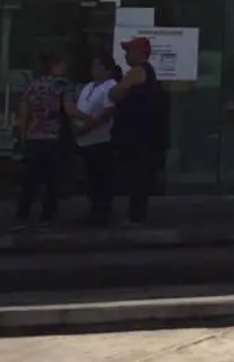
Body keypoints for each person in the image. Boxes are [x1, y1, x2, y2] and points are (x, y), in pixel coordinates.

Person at [13, 51, 72, 230]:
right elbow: (69, 109)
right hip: (54, 138)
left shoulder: (32, 85)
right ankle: (47, 217)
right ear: (55, 65)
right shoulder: (62, 85)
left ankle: (22, 216)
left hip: (34, 138)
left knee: (30, 181)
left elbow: (23, 113)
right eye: (63, 65)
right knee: (53, 181)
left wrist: (23, 136)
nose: (65, 68)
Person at [110, 37, 163, 226]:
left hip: (136, 133)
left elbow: (114, 93)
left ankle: (136, 217)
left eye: (129, 51)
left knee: (136, 175)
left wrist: (119, 88)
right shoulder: (148, 74)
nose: (126, 55)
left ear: (141, 54)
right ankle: (136, 215)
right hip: (141, 132)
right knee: (138, 174)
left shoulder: (137, 71)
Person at [67, 52, 120, 226]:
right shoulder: (89, 86)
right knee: (90, 178)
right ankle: (93, 211)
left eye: (97, 66)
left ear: (105, 68)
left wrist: (88, 125)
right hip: (84, 139)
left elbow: (107, 113)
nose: (93, 69)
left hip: (100, 139)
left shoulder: (111, 86)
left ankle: (102, 213)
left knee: (101, 179)